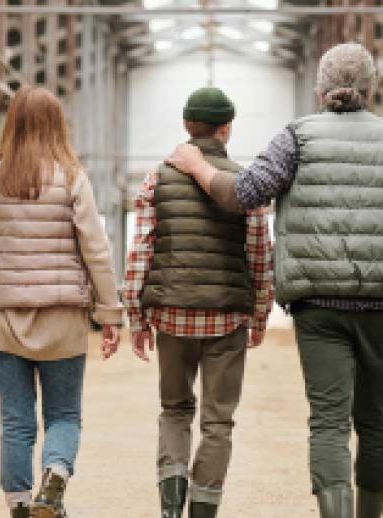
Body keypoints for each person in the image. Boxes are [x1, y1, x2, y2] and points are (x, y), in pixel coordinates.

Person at [165, 43, 383, 518]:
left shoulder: (297, 138)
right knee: (376, 421)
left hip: (320, 303)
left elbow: (244, 193)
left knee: (328, 422)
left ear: (320, 90)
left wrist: (198, 166)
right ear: (373, 89)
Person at [0, 86, 123, 518]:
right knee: (63, 415)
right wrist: (110, 314)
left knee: (16, 422)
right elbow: (96, 249)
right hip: (63, 318)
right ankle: (55, 476)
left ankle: (19, 506)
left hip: (5, 319)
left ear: (12, 123)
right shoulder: (72, 176)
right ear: (58, 126)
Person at [123, 87, 274, 518]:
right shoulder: (244, 182)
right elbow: (260, 254)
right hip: (227, 317)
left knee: (174, 408)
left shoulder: (158, 178)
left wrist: (136, 316)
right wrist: (260, 312)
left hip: (171, 314)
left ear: (187, 126)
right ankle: (204, 511)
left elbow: (141, 253)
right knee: (217, 420)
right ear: (226, 128)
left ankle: (171, 506)